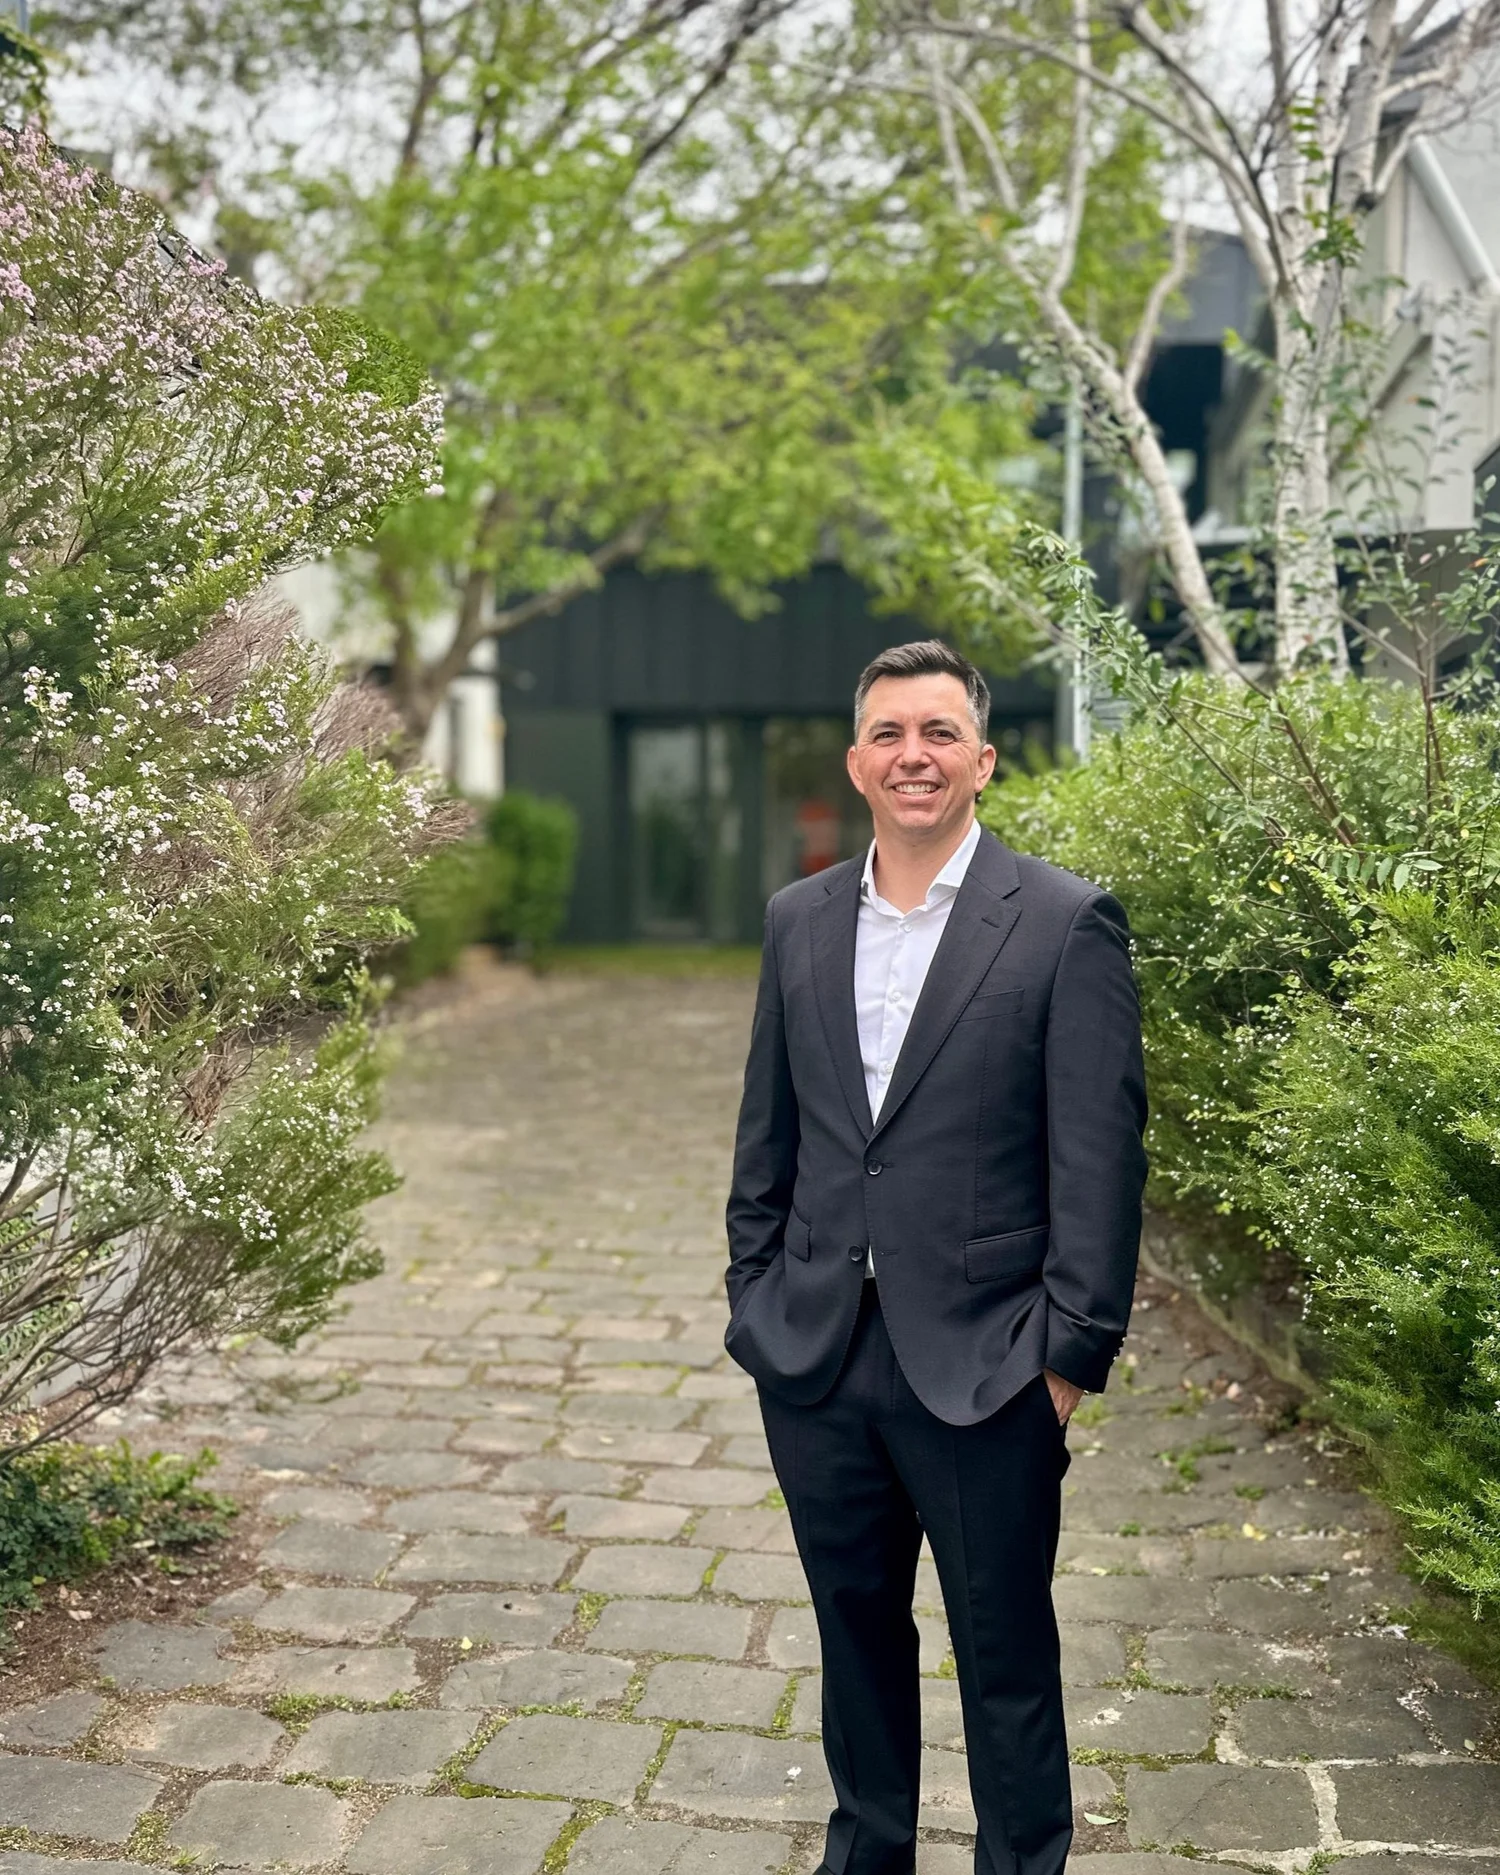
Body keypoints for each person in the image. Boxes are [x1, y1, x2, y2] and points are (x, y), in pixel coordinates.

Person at [724, 640, 1147, 1875]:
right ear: (858, 763)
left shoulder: (1064, 924)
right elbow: (768, 1134)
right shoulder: (797, 921)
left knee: (1005, 1657)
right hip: (817, 1356)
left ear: (984, 761)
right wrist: (756, 1300)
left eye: (941, 733)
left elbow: (1100, 1158)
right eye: (891, 735)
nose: (916, 755)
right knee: (853, 1641)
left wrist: (1067, 1355)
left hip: (989, 1364)